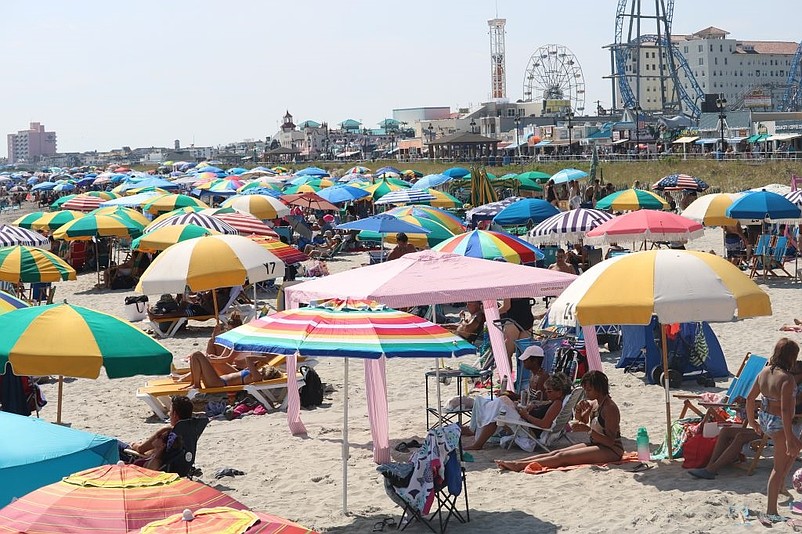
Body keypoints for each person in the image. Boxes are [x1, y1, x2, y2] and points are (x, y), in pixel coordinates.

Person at [496, 371, 624, 472]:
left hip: (612, 450)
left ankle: (519, 466)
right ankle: (520, 462)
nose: (586, 393)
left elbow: (610, 441)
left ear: (599, 389)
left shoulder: (610, 408)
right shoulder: (596, 403)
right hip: (597, 444)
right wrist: (580, 411)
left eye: (589, 390)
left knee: (562, 458)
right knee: (557, 452)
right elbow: (582, 422)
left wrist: (588, 431)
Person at [745, 338, 801, 519]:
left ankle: (782, 483)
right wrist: (789, 435)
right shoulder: (787, 379)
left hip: (764, 419)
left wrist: (752, 422)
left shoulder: (764, 372)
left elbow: (750, 398)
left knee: (796, 448)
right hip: (779, 423)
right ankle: (771, 510)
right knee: (777, 467)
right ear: (791, 357)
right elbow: (785, 410)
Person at [463, 346, 552, 449]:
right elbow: (532, 398)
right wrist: (512, 395)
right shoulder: (535, 375)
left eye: (526, 360)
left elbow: (542, 403)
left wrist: (524, 409)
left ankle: (477, 441)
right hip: (525, 411)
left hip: (527, 416)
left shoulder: (543, 378)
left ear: (535, 361)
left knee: (498, 407)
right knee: (483, 400)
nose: (524, 362)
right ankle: (474, 429)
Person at [465, 372, 572, 451]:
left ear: (560, 392)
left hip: (529, 429)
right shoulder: (555, 402)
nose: (547, 394)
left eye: (550, 391)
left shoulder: (557, 404)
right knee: (501, 401)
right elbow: (545, 408)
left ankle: (477, 441)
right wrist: (534, 406)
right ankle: (479, 421)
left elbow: (545, 424)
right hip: (525, 422)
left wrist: (526, 415)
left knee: (498, 409)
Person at [687, 426, 761, 480]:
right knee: (725, 431)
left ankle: (711, 469)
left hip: (769, 431)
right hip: (762, 428)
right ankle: (710, 465)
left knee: (740, 437)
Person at [180, 352, 282, 389]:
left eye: (263, 369)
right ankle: (194, 383)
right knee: (195, 356)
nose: (261, 368)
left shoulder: (257, 377)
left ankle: (196, 384)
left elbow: (248, 359)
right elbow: (250, 362)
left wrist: (262, 359)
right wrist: (257, 363)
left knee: (197, 355)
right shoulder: (255, 374)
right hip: (218, 381)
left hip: (218, 383)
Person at [499, 298, 535, 362]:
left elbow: (506, 307)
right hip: (527, 319)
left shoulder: (508, 289)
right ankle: (523, 372)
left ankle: (507, 372)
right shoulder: (525, 288)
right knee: (524, 355)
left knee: (507, 354)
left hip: (514, 319)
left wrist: (490, 312)